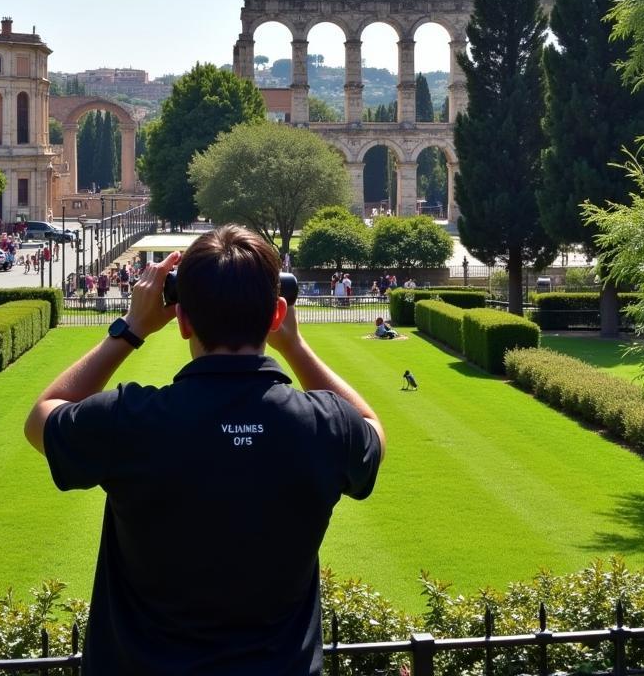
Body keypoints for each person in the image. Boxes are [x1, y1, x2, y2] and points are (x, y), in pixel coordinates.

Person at [24, 225, 384, 675]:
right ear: (276, 314)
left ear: (182, 319)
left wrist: (131, 328)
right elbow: (371, 427)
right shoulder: (323, 425)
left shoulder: (134, 419)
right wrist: (294, 344)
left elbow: (42, 416)